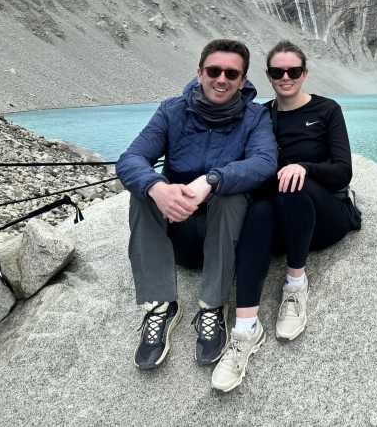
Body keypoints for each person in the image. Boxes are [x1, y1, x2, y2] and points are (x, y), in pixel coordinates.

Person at [117, 39, 277, 372]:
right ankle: (160, 305)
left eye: (231, 73)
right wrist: (158, 187)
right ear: (199, 72)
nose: (222, 79)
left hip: (224, 233)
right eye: (214, 70)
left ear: (243, 80)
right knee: (142, 190)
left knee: (232, 192)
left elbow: (264, 162)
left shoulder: (255, 117)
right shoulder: (171, 110)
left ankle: (212, 305)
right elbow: (131, 159)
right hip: (180, 229)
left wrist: (212, 181)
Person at [210, 40, 360, 392]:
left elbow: (342, 172)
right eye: (278, 72)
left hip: (325, 216)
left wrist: (302, 167)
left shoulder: (327, 111)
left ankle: (295, 285)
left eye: (293, 71)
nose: (286, 77)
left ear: (304, 74)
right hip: (282, 217)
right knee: (259, 212)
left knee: (290, 185)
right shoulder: (263, 115)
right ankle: (246, 330)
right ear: (269, 76)